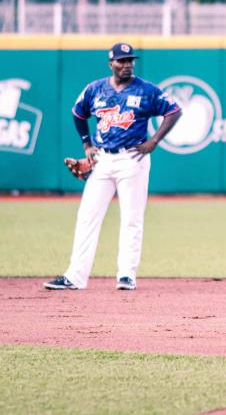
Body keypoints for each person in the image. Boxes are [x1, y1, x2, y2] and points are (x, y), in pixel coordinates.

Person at [44, 42, 182, 291]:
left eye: (130, 60)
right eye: (122, 60)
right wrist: (87, 144)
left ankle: (126, 275)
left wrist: (154, 140)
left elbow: (173, 110)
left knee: (132, 218)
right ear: (111, 64)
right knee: (87, 216)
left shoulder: (146, 90)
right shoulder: (95, 89)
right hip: (102, 160)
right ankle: (75, 276)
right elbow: (78, 113)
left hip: (133, 158)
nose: (127, 64)